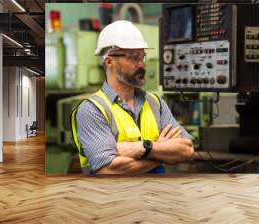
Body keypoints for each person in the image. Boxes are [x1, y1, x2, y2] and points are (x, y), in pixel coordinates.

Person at [71, 20, 194, 175]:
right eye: (134, 57)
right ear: (109, 61)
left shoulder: (155, 103)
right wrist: (162, 152)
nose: (141, 64)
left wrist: (144, 147)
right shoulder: (92, 110)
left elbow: (187, 150)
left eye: (142, 56)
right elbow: (108, 170)